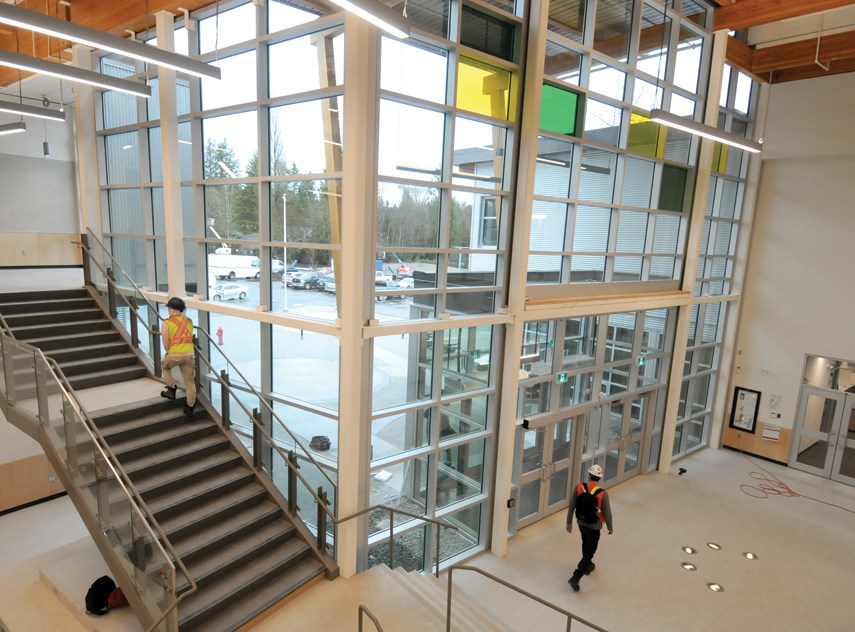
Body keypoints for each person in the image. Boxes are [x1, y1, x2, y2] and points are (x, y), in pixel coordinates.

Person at [565, 463, 613, 592]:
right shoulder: (603, 494)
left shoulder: (579, 487)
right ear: (599, 478)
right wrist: (610, 527)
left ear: (589, 475)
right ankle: (576, 576)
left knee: (586, 544)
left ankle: (588, 565)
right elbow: (607, 512)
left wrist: (569, 522)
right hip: (595, 526)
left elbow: (572, 505)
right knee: (590, 551)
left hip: (581, 523)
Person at [160, 297, 196, 416]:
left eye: (169, 308)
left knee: (164, 366)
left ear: (172, 309)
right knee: (190, 382)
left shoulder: (167, 323)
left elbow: (165, 343)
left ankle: (171, 389)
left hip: (174, 355)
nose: (168, 310)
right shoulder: (189, 321)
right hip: (189, 355)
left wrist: (169, 352)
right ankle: (190, 407)